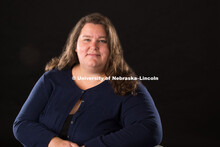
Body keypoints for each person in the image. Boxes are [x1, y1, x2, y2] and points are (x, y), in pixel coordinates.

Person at [13, 13, 162, 147]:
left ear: (112, 48)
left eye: (102, 41)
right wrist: (53, 142)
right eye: (87, 39)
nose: (93, 46)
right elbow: (22, 124)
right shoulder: (52, 79)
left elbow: (150, 130)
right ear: (75, 46)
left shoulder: (126, 85)